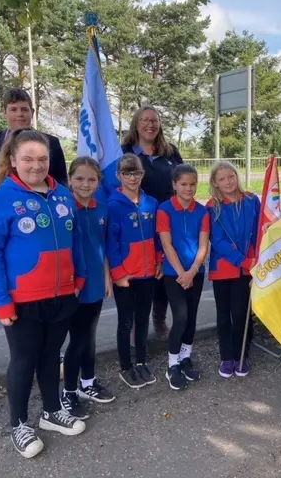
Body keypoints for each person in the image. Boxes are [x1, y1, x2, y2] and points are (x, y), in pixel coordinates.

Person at [0, 129, 87, 459]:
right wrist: (2, 301)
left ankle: (52, 411)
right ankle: (20, 424)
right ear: (12, 161)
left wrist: (79, 276)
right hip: (22, 300)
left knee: (51, 355)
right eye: (27, 159)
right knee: (24, 360)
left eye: (42, 159)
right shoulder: (0, 200)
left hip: (63, 295)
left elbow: (77, 239)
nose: (36, 165)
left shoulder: (63, 195)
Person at [122, 105, 183, 340]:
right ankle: (139, 325)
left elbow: (182, 179)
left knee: (163, 273)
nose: (150, 124)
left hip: (168, 222)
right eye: (145, 120)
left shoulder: (170, 152)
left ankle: (159, 319)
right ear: (136, 124)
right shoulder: (125, 151)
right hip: (138, 223)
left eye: (154, 120)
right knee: (141, 273)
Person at [61, 158, 115, 416]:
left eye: (91, 179)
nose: (85, 184)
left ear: (98, 182)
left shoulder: (101, 209)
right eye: (80, 179)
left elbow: (101, 247)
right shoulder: (62, 208)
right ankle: (69, 391)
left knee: (89, 335)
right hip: (71, 286)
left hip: (94, 282)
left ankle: (88, 382)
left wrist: (106, 276)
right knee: (77, 339)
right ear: (70, 180)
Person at [107, 153, 163, 389]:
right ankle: (126, 367)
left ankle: (140, 362)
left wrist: (159, 260)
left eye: (137, 173)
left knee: (142, 320)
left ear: (143, 174)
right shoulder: (112, 205)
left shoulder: (152, 202)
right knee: (126, 323)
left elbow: (157, 236)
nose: (132, 178)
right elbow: (111, 242)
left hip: (148, 273)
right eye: (127, 173)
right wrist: (118, 273)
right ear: (119, 176)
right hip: (126, 277)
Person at [157, 164, 210, 390]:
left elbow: (203, 244)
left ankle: (186, 357)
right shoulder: (164, 210)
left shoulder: (202, 211)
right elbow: (167, 245)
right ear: (174, 185)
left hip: (194, 273)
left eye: (192, 184)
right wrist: (182, 274)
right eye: (184, 184)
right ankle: (172, 364)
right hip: (174, 275)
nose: (188, 189)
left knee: (192, 318)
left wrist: (193, 271)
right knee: (180, 316)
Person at [206, 161, 260, 378]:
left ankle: (242, 354)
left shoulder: (251, 200)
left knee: (241, 313)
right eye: (222, 179)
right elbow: (217, 240)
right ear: (215, 183)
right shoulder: (212, 206)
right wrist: (241, 259)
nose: (228, 182)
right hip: (223, 268)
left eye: (231, 177)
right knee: (224, 314)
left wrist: (254, 259)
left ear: (237, 177)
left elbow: (259, 231)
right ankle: (226, 357)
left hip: (247, 268)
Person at [0, 88, 68, 185]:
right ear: (4, 113)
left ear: (32, 112)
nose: (19, 114)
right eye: (13, 110)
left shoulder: (51, 142)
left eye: (24, 109)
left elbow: (61, 181)